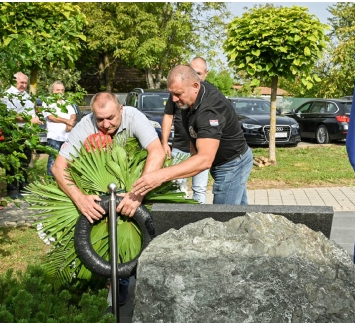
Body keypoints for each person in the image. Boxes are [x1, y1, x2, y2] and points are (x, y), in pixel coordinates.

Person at [131, 65, 251, 206]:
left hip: (233, 163)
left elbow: (205, 159)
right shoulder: (188, 99)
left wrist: (160, 176)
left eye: (178, 94)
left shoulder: (209, 110)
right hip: (221, 161)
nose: (173, 99)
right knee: (242, 216)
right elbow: (194, 138)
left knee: (224, 217)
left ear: (195, 86)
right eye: (171, 93)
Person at [53, 92, 165, 223]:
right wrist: (80, 198)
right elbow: (58, 167)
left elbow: (157, 152)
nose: (106, 125)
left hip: (135, 188)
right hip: (98, 192)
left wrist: (137, 194)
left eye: (110, 117)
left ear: (121, 109)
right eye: (100, 119)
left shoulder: (134, 117)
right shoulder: (85, 125)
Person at [160, 57, 210, 204]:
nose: (196, 75)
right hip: (180, 147)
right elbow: (168, 116)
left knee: (199, 188)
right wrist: (164, 142)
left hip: (200, 150)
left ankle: (199, 220)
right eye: (192, 71)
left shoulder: (209, 96)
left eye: (199, 73)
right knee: (177, 188)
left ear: (206, 73)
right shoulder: (176, 92)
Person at [2, 72, 40, 199]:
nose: (23, 85)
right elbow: (11, 116)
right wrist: (30, 119)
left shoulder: (27, 96)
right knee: (13, 161)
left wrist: (34, 123)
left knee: (25, 160)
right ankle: (12, 189)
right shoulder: (8, 95)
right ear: (14, 81)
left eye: (25, 83)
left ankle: (23, 186)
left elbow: (32, 114)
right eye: (21, 82)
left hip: (27, 133)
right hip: (14, 131)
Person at [40, 81, 77, 178]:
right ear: (52, 91)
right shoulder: (47, 101)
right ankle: (51, 180)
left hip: (67, 137)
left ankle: (63, 179)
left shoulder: (66, 103)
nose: (60, 92)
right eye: (57, 90)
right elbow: (51, 117)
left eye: (62, 90)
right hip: (54, 136)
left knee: (66, 159)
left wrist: (70, 123)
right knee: (54, 158)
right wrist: (66, 121)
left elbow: (73, 114)